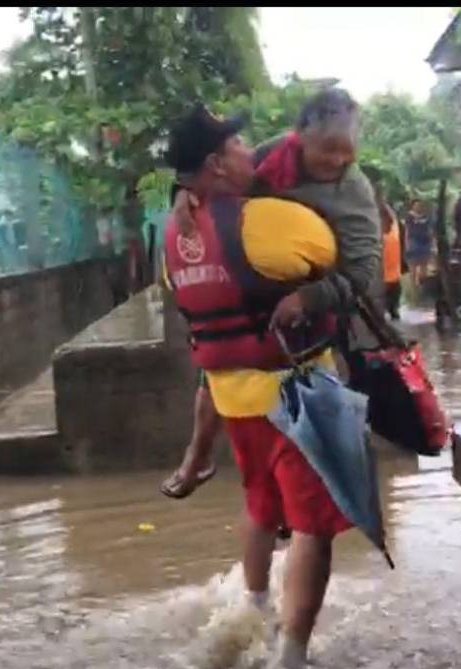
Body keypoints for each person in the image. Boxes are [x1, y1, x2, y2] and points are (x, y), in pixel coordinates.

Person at [162, 104, 354, 669]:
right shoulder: (266, 221)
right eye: (241, 144)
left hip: (233, 402)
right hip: (297, 397)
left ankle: (252, 605)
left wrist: (198, 449)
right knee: (314, 527)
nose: (254, 150)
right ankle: (292, 658)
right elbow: (329, 249)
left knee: (261, 507)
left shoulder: (174, 234)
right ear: (218, 165)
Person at [160, 88, 381, 500]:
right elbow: (211, 181)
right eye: (326, 150)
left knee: (329, 394)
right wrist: (182, 198)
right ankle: (200, 453)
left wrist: (309, 299)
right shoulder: (268, 158)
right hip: (264, 279)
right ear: (299, 137)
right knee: (218, 349)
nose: (336, 161)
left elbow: (364, 273)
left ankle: (333, 483)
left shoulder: (354, 191)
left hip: (328, 292)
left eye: (346, 151)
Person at [403, 198, 433, 286]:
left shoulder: (426, 216)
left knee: (424, 267)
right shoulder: (409, 217)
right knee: (413, 267)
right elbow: (407, 230)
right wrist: (407, 243)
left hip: (425, 243)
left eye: (419, 205)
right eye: (416, 205)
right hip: (414, 243)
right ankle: (413, 288)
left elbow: (430, 230)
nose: (418, 207)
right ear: (412, 206)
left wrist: (432, 242)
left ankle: (422, 286)